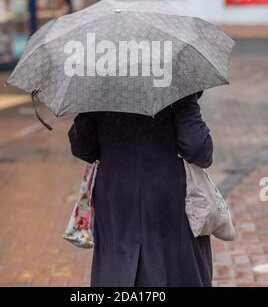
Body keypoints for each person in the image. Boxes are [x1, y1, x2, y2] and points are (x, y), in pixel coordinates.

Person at [68, 92, 213, 287]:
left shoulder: (103, 84)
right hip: (168, 198)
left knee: (116, 270)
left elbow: (82, 146)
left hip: (116, 195)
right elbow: (197, 148)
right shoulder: (175, 83)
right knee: (176, 271)